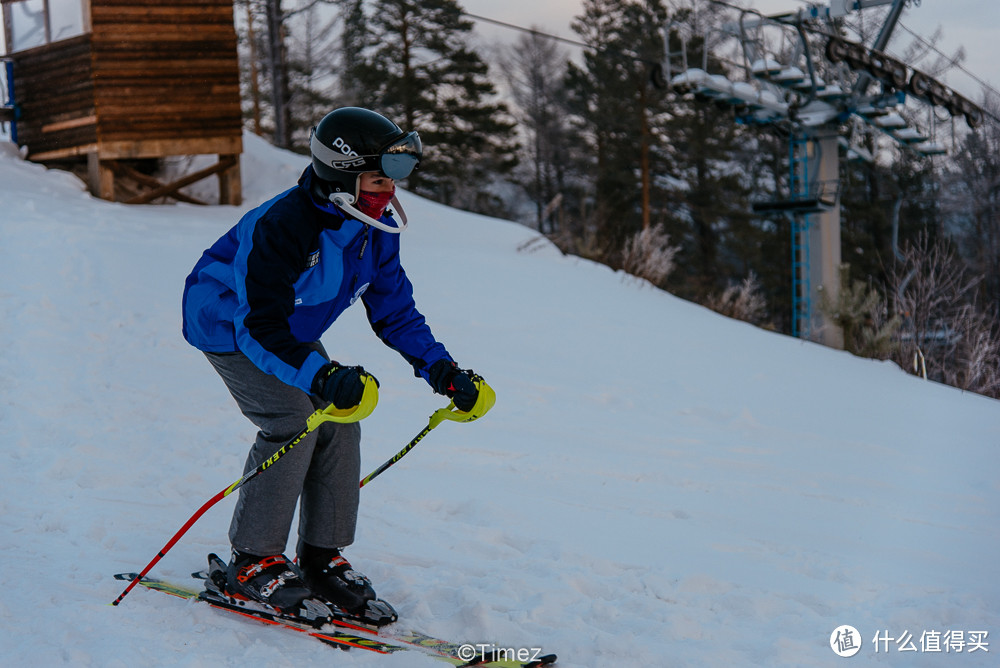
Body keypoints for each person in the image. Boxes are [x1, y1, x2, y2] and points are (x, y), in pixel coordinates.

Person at [181, 107, 486, 624]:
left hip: (290, 331)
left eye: (394, 178)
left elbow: (394, 310)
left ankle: (321, 558)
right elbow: (257, 325)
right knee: (291, 420)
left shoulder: (374, 226)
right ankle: (252, 560)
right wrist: (322, 375)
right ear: (341, 173)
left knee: (341, 419)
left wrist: (442, 370)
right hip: (230, 326)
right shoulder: (284, 225)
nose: (388, 190)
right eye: (376, 178)